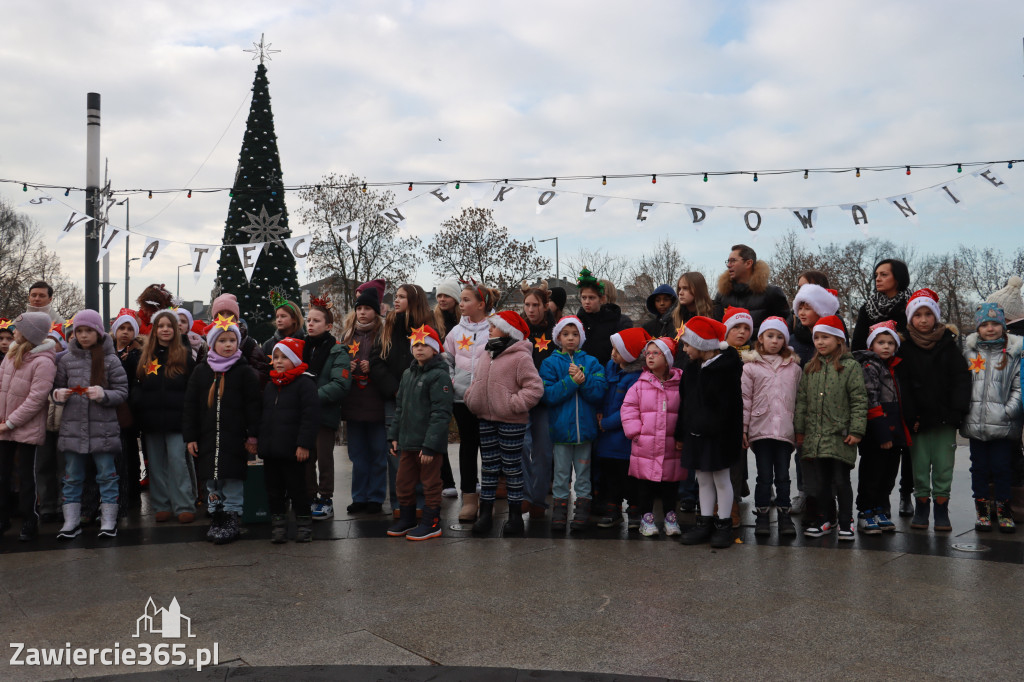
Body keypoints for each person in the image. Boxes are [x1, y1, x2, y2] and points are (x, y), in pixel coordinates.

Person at [463, 311, 544, 536]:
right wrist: (472, 398)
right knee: (488, 468)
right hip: (486, 419)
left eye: (494, 326)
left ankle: (515, 516)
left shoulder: (520, 357)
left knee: (511, 468)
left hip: (511, 421)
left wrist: (512, 404)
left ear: (508, 330)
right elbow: (476, 381)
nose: (489, 329)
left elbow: (534, 388)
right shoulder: (486, 353)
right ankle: (485, 514)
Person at [182, 316, 261, 544]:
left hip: (235, 439)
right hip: (207, 439)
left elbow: (254, 406)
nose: (228, 345)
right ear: (213, 343)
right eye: (223, 340)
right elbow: (190, 406)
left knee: (232, 479)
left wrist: (253, 435)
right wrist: (191, 437)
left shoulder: (244, 372)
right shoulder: (201, 372)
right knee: (212, 481)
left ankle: (231, 517)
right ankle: (216, 515)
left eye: (232, 340)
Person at [898, 289, 971, 532]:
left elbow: (961, 379)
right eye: (917, 314)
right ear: (910, 319)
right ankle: (922, 506)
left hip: (944, 418)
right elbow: (903, 384)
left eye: (928, 313)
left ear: (936, 316)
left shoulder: (948, 345)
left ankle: (941, 507)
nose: (923, 319)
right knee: (919, 465)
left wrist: (956, 411)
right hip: (918, 419)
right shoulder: (904, 346)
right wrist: (910, 415)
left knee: (943, 464)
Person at [52, 309, 129, 539]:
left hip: (103, 430)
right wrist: (58, 395)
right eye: (79, 331)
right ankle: (71, 522)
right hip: (73, 430)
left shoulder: (110, 359)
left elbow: (122, 393)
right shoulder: (65, 359)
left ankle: (108, 520)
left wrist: (103, 395)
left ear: (98, 332)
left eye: (88, 331)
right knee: (72, 477)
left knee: (107, 475)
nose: (84, 336)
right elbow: (53, 389)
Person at [794, 315, 868, 541]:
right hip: (815, 436)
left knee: (841, 481)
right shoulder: (810, 367)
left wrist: (856, 430)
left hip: (840, 436)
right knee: (821, 482)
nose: (820, 342)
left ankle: (846, 521)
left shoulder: (850, 367)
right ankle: (827, 518)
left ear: (838, 340)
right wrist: (800, 430)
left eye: (825, 337)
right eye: (816, 337)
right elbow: (803, 400)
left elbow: (858, 399)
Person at [676, 316, 743, 549]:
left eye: (687, 344)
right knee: (702, 479)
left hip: (719, 437)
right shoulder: (691, 370)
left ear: (703, 344)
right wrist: (681, 433)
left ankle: (723, 523)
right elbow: (684, 403)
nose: (684, 349)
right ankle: (704, 521)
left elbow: (729, 407)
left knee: (721, 479)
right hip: (696, 434)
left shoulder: (726, 369)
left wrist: (715, 429)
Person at [386, 325, 454, 541]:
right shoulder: (408, 374)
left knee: (430, 484)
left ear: (435, 349)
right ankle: (407, 519)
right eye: (416, 345)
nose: (419, 348)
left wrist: (430, 446)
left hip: (428, 447)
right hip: (407, 443)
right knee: (403, 483)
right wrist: (394, 436)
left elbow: (441, 413)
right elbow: (400, 409)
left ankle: (432, 522)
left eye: (425, 344)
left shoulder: (439, 376)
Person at [540, 315, 607, 531]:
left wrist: (583, 380)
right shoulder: (549, 363)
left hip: (585, 432)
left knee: (583, 475)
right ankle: (559, 511)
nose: (571, 338)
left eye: (575, 334)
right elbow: (548, 395)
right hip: (561, 432)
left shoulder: (591, 362)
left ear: (581, 337)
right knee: (560, 475)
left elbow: (599, 392)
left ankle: (582, 512)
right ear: (558, 336)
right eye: (566, 334)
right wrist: (570, 382)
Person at [960, 303, 1022, 533]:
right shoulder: (969, 353)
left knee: (1002, 468)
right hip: (975, 424)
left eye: (995, 323)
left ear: (1003, 326)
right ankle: (983, 511)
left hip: (1003, 424)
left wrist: (1008, 411)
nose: (990, 328)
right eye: (984, 324)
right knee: (979, 469)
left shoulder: (1013, 354)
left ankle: (1004, 510)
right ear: (978, 328)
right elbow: (961, 385)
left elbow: (1018, 387)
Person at [377, 283, 436, 517]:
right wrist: (395, 389)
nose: (396, 301)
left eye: (402, 297)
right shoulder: (388, 326)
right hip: (394, 399)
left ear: (414, 300)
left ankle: (421, 503)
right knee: (396, 452)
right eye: (396, 297)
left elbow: (434, 359)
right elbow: (376, 360)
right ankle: (401, 503)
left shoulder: (427, 328)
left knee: (420, 450)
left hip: (421, 397)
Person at [132, 310, 196, 524]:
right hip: (152, 421)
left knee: (178, 463)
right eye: (161, 326)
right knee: (157, 465)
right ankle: (162, 505)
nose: (165, 329)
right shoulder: (146, 356)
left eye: (169, 325)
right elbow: (138, 385)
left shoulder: (185, 355)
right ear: (155, 329)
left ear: (176, 329)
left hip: (177, 421)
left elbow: (191, 389)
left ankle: (184, 505)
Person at [444, 282, 500, 523]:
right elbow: (445, 359)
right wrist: (454, 382)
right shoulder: (456, 332)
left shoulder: (496, 328)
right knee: (467, 447)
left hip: (489, 399)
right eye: (462, 300)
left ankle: (488, 499)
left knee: (489, 449)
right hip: (461, 398)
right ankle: (469, 498)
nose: (462, 304)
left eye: (466, 300)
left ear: (481, 304)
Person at [742, 316, 801, 537]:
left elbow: (799, 399)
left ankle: (785, 517)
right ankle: (763, 517)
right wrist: (744, 429)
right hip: (761, 430)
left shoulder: (793, 368)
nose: (774, 341)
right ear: (761, 339)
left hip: (785, 431)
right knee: (764, 477)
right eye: (770, 336)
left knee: (784, 476)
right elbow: (745, 399)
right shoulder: (751, 367)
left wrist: (799, 428)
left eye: (779, 337)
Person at [0, 312, 57, 541]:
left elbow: (36, 399)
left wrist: (11, 422)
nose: (14, 332)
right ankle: (2, 518)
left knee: (27, 477)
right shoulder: (11, 354)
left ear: (30, 333)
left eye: (18, 328)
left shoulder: (44, 362)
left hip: (24, 428)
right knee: (2, 476)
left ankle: (30, 520)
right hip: (3, 427)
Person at [621, 336, 684, 537]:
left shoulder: (679, 384)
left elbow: (686, 409)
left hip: (671, 445)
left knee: (670, 484)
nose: (650, 357)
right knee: (645, 484)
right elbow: (628, 407)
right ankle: (646, 517)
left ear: (667, 359)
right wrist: (635, 431)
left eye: (656, 353)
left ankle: (669, 516)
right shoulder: (640, 385)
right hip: (645, 444)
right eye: (648, 353)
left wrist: (682, 434)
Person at [853, 321, 912, 534]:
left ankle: (879, 507)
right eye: (881, 342)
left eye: (890, 343)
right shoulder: (869, 366)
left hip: (895, 428)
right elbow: (871, 399)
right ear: (872, 345)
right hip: (876, 430)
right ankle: (865, 510)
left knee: (888, 473)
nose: (886, 347)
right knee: (872, 472)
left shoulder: (895, 366)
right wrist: (882, 432)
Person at [261, 337, 320, 543]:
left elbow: (310, 416)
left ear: (295, 359)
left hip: (293, 450)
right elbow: (264, 417)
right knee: (274, 491)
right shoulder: (270, 385)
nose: (278, 361)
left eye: (284, 357)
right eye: (276, 357)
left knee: (297, 489)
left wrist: (304, 444)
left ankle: (304, 525)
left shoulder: (305, 383)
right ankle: (278, 526)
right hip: (271, 450)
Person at [789, 282, 840, 517]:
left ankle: (829, 497)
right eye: (800, 307)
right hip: (803, 406)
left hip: (829, 409)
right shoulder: (794, 338)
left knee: (828, 456)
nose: (801, 312)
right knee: (804, 454)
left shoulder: (835, 337)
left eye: (808, 307)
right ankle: (804, 493)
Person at [338, 284, 389, 515]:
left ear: (376, 311)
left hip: (377, 402)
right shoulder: (347, 334)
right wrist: (344, 367)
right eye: (360, 308)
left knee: (378, 453)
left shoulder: (384, 333)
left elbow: (388, 363)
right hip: (353, 402)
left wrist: (374, 367)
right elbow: (337, 363)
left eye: (368, 308)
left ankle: (376, 497)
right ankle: (359, 496)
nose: (362, 312)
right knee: (357, 455)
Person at [595, 328, 650, 529]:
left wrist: (607, 423)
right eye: (613, 349)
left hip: (624, 437)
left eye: (617, 350)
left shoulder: (635, 377)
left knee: (628, 477)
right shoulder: (610, 367)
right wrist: (600, 410)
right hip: (607, 437)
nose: (612, 354)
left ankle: (634, 509)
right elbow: (601, 391)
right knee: (610, 476)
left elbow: (630, 408)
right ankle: (613, 508)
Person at [303, 298, 352, 522]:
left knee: (324, 458)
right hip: (303, 416)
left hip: (324, 414)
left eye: (316, 321)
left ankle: (325, 498)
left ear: (329, 326)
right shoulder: (300, 347)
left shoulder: (337, 351)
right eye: (308, 320)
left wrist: (310, 397)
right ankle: (309, 496)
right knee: (305, 458)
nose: (310, 324)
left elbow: (340, 385)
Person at [520, 285, 556, 518]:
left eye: (536, 305)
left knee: (544, 452)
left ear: (545, 306)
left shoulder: (556, 332)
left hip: (545, 401)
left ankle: (538, 500)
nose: (531, 310)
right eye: (527, 305)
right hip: (522, 399)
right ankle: (523, 496)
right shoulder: (518, 331)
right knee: (521, 446)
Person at [723, 306, 754, 527]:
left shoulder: (752, 359)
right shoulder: (717, 355)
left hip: (741, 418)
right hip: (720, 417)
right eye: (736, 327)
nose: (742, 332)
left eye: (746, 328)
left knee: (736, 462)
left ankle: (732, 502)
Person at [712, 244, 790, 331]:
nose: (729, 265)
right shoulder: (722, 295)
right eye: (728, 261)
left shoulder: (772, 293)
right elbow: (717, 328)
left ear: (748, 263)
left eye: (733, 261)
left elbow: (785, 326)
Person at [111, 308, 143, 515]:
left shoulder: (137, 355)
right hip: (109, 407)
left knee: (129, 452)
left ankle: (131, 494)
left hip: (128, 409)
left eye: (129, 328)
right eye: (121, 328)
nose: (125, 332)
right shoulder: (108, 352)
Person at [851, 259, 911, 352]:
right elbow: (858, 345)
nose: (877, 279)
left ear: (898, 277)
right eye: (876, 275)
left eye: (884, 275)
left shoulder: (912, 305)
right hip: (872, 363)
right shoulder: (868, 307)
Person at [575, 268, 631, 366]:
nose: (587, 302)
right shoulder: (577, 321)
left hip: (607, 371)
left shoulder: (616, 321)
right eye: (584, 298)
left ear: (602, 299)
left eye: (591, 298)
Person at [211, 293, 270, 385]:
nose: (225, 317)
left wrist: (242, 375)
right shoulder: (206, 344)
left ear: (236, 317)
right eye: (221, 314)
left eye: (230, 313)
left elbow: (263, 375)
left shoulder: (249, 344)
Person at [261, 293, 306, 358]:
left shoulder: (306, 342)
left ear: (294, 319)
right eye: (277, 317)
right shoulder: (268, 345)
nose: (279, 320)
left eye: (283, 316)